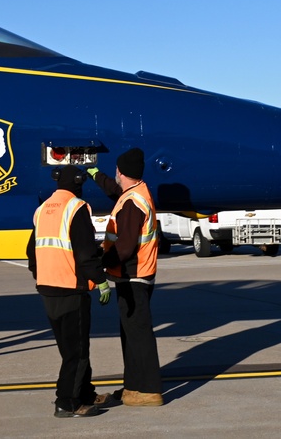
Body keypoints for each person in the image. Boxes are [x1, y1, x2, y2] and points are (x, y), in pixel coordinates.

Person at [27, 165, 111, 418]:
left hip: (47, 289)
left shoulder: (42, 210)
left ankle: (85, 392)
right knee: (77, 352)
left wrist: (43, 276)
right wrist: (101, 280)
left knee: (69, 348)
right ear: (78, 183)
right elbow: (85, 253)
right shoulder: (77, 208)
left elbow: (32, 253)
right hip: (71, 290)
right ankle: (67, 402)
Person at [86, 147, 163, 407]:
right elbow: (114, 189)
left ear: (121, 171)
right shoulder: (135, 192)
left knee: (139, 334)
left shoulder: (132, 203)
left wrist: (100, 263)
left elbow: (126, 246)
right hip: (133, 274)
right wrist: (96, 176)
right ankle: (133, 387)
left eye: (116, 171)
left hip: (134, 275)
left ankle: (150, 390)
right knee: (130, 333)